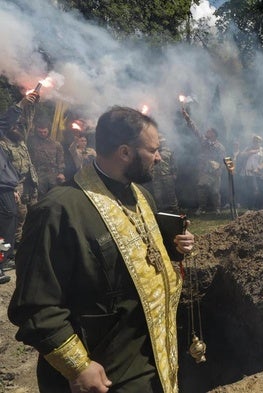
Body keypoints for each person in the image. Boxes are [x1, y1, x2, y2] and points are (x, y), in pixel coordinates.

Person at [9, 106, 195, 393]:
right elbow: (35, 305)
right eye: (153, 150)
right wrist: (78, 366)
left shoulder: (140, 194)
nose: (159, 157)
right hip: (106, 373)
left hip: (151, 357)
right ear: (125, 153)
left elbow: (140, 257)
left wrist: (174, 246)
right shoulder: (58, 210)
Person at [0, 92, 39, 268]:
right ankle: (8, 256)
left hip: (24, 185)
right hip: (11, 186)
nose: (17, 127)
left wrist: (30, 104)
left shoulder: (21, 140)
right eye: (14, 126)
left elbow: (27, 121)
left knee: (27, 216)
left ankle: (13, 254)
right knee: (13, 220)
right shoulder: (3, 143)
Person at [181, 108, 225, 215]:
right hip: (204, 170)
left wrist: (219, 171)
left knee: (215, 191)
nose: (206, 132)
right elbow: (195, 131)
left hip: (215, 171)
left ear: (213, 134)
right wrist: (188, 119)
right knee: (201, 188)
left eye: (209, 131)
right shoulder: (204, 141)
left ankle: (217, 208)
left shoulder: (220, 147)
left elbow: (222, 160)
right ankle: (202, 208)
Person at [27, 117, 66, 197]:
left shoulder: (56, 144)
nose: (42, 134)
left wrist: (61, 173)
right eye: (40, 132)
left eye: (45, 132)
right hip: (36, 175)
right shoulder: (30, 142)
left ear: (48, 131)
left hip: (53, 176)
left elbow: (60, 160)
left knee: (53, 197)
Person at [238, 135, 263, 209]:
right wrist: (250, 152)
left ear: (260, 142)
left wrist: (259, 168)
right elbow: (241, 156)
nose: (256, 143)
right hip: (249, 174)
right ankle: (250, 208)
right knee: (251, 191)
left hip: (260, 174)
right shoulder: (248, 149)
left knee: (261, 191)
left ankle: (260, 208)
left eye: (258, 141)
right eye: (254, 141)